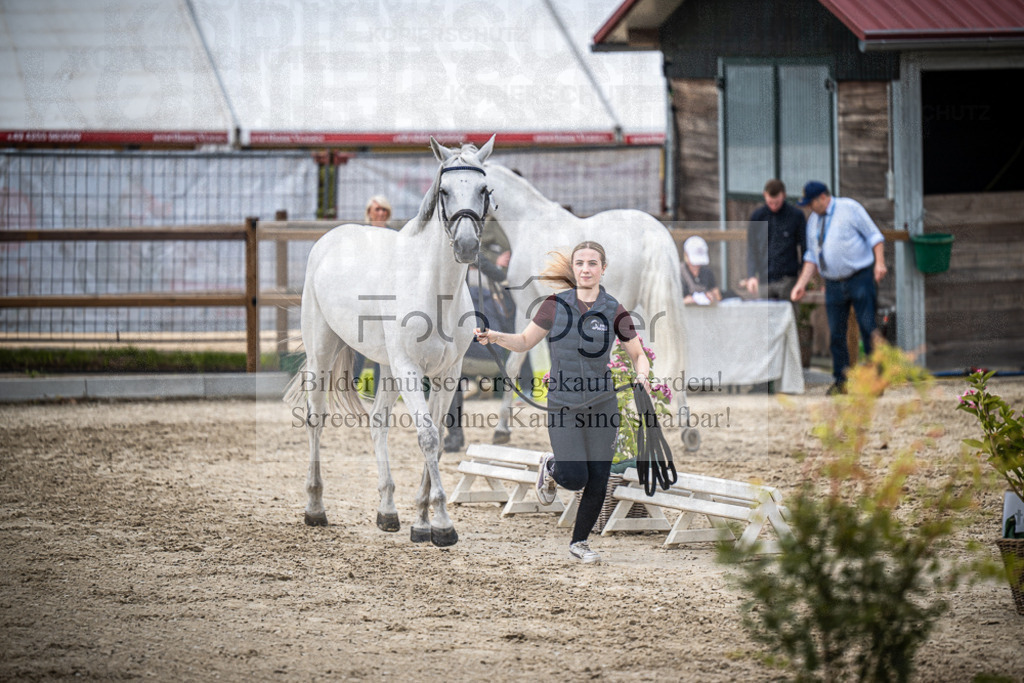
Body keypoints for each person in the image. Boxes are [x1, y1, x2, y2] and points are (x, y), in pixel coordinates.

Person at [475, 241, 652, 564]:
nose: (586, 269)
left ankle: (580, 542)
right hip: (563, 402)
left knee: (599, 477)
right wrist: (496, 336)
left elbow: (638, 353)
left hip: (602, 403)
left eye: (592, 263)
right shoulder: (554, 305)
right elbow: (526, 341)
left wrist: (642, 375)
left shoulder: (615, 309)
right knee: (574, 477)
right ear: (574, 269)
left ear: (603, 268)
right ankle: (552, 466)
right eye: (580, 263)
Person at [790, 181, 887, 395]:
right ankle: (842, 381)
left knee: (867, 327)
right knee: (836, 333)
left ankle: (875, 381)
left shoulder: (849, 209)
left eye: (811, 203)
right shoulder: (813, 221)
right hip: (833, 282)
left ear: (823, 197)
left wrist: (879, 263)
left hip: (859, 276)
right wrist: (801, 284)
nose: (809, 208)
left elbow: (875, 236)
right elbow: (811, 257)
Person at [353, 195, 393, 392]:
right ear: (369, 212)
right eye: (377, 209)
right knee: (358, 345)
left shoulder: (394, 237)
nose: (381, 213)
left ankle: (380, 393)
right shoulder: (361, 236)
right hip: (365, 296)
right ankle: (349, 390)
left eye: (384, 210)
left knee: (385, 347)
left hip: (387, 297)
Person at [742, 179, 806, 302]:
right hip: (764, 279)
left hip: (787, 279)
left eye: (777, 202)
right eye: (770, 202)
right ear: (764, 195)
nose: (774, 206)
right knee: (766, 319)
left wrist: (802, 278)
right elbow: (751, 249)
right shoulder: (757, 217)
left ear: (784, 195)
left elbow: (804, 247)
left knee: (788, 317)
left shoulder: (796, 216)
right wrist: (751, 275)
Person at [680, 236, 721, 305]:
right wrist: (684, 301)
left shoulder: (707, 272)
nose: (697, 266)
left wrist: (712, 297)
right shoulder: (679, 273)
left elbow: (718, 297)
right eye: (694, 263)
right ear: (686, 255)